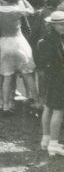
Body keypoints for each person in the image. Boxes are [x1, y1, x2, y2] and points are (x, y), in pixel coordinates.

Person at [0, 0, 37, 113]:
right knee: (28, 74)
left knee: (7, 76)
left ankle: (5, 105)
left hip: (4, 43)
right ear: (17, 0)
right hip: (19, 42)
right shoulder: (18, 11)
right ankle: (36, 101)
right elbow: (31, 10)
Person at [36, 10, 64, 156]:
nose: (63, 27)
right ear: (53, 25)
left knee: (48, 107)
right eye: (60, 25)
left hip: (50, 78)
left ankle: (46, 139)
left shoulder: (46, 39)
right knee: (59, 110)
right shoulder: (56, 41)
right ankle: (54, 144)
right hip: (59, 78)